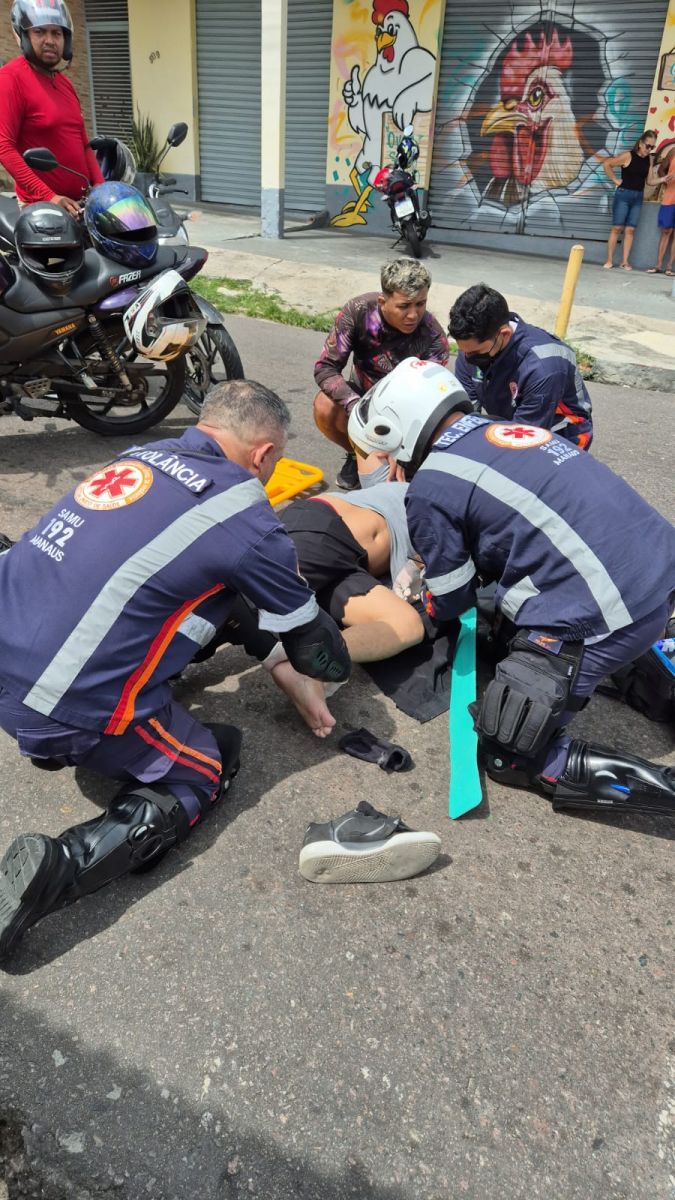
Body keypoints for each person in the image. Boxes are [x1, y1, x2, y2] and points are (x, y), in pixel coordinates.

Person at [0, 380, 351, 962]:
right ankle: (60, 868)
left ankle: (57, 738)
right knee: (209, 763)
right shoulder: (244, 509)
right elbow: (315, 645)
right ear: (265, 454)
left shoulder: (140, 454)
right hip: (61, 703)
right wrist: (323, 667)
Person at [347, 357, 675, 820]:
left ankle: (662, 791)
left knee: (509, 747)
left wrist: (424, 601)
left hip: (613, 609)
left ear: (394, 431)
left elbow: (455, 597)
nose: (388, 464)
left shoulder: (433, 486)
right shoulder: (495, 432)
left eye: (382, 454)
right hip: (658, 572)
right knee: (507, 628)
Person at [313, 259, 449, 491]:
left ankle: (409, 465)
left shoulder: (434, 336)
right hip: (363, 400)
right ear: (383, 301)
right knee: (323, 405)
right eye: (404, 306)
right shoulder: (356, 312)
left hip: (409, 410)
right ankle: (357, 454)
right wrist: (354, 405)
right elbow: (325, 367)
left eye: (420, 304)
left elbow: (432, 397)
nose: (413, 315)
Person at [450, 284, 593, 449]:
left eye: (476, 352)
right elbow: (466, 416)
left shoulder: (544, 368)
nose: (467, 358)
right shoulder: (472, 347)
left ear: (505, 334)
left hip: (562, 437)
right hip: (510, 422)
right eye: (463, 350)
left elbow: (523, 440)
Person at [0, 1, 104, 215]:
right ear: (23, 35)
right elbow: (4, 147)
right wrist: (50, 197)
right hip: (43, 208)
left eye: (57, 33)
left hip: (81, 206)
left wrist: (102, 188)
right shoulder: (11, 79)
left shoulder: (65, 84)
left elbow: (83, 143)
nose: (50, 40)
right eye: (40, 32)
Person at [603, 130, 660, 271]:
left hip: (638, 197)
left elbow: (650, 181)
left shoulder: (649, 160)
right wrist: (615, 180)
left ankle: (624, 261)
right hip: (623, 195)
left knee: (630, 230)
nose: (649, 150)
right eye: (648, 146)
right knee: (617, 228)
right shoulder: (628, 156)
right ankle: (609, 260)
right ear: (640, 143)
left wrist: (663, 179)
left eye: (652, 147)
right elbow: (607, 164)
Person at [646, 145, 675, 276]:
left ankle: (669, 267)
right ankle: (658, 265)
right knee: (666, 231)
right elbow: (661, 170)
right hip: (670, 196)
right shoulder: (673, 151)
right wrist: (666, 180)